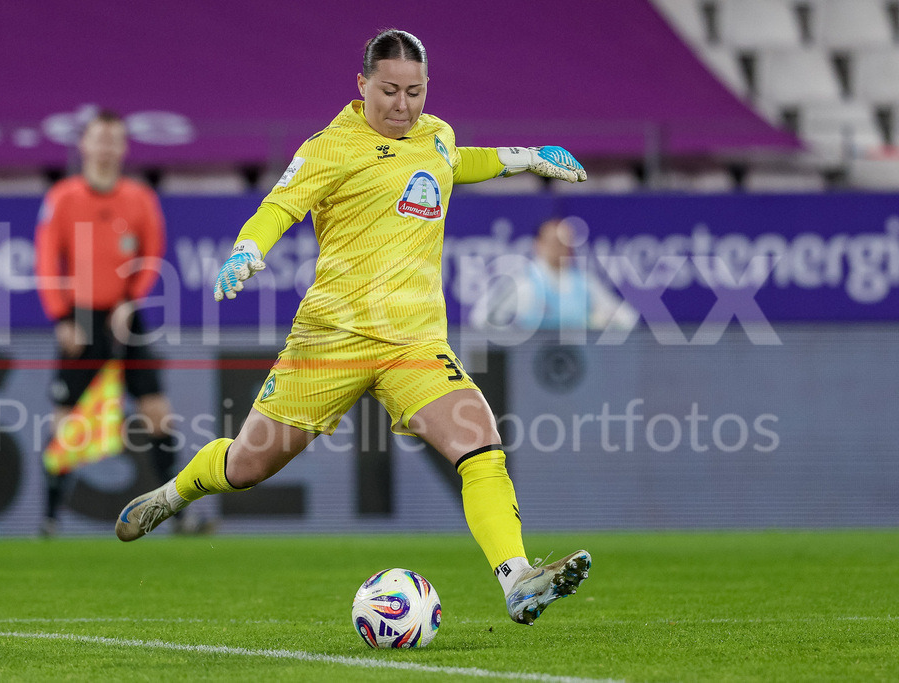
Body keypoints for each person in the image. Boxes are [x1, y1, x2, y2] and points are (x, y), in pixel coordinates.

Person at [115, 30, 591, 625]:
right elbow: (278, 206)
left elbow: (455, 162)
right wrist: (247, 251)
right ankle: (173, 495)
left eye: (414, 91)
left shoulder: (436, 134)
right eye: (389, 90)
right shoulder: (330, 147)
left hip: (414, 344)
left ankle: (518, 579)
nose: (402, 104)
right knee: (246, 467)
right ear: (361, 84)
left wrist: (524, 159)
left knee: (481, 443)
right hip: (330, 341)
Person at [35, 109, 188, 536]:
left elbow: (151, 254)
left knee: (157, 413)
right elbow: (47, 259)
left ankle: (175, 512)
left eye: (113, 140)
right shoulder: (63, 198)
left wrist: (131, 300)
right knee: (66, 420)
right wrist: (61, 317)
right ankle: (49, 517)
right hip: (80, 318)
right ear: (84, 145)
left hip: (127, 314)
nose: (105, 148)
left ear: (122, 148)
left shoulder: (139, 198)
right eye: (99, 139)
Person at [471, 217, 638, 332]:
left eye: (566, 241)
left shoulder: (585, 283)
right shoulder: (522, 284)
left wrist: (597, 323)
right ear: (539, 244)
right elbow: (481, 319)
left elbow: (628, 318)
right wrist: (513, 336)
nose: (561, 247)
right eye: (555, 242)